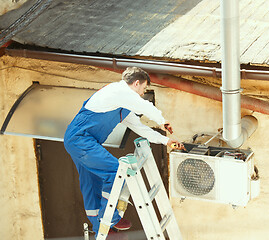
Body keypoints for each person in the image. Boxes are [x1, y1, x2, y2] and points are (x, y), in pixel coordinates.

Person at [64, 67, 182, 237]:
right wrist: (162, 120)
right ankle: (110, 218)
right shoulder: (118, 91)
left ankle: (100, 228)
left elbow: (140, 128)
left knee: (91, 181)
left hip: (81, 141)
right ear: (136, 83)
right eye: (143, 89)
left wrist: (166, 140)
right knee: (115, 172)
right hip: (80, 140)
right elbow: (143, 105)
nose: (142, 93)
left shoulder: (121, 105)